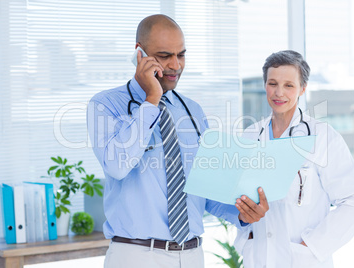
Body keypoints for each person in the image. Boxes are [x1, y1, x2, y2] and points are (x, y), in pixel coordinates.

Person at [87, 14, 268, 268]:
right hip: (137, 256)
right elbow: (117, 165)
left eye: (180, 55)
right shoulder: (106, 105)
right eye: (164, 56)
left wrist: (242, 212)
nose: (175, 65)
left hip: (192, 254)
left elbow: (206, 189)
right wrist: (151, 99)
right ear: (139, 54)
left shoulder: (191, 111)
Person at [234, 50, 354, 268]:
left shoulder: (322, 137)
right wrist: (245, 235)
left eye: (289, 85)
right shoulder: (250, 136)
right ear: (264, 85)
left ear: (302, 88)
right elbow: (239, 198)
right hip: (258, 257)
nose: (279, 92)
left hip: (302, 260)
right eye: (272, 83)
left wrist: (312, 245)